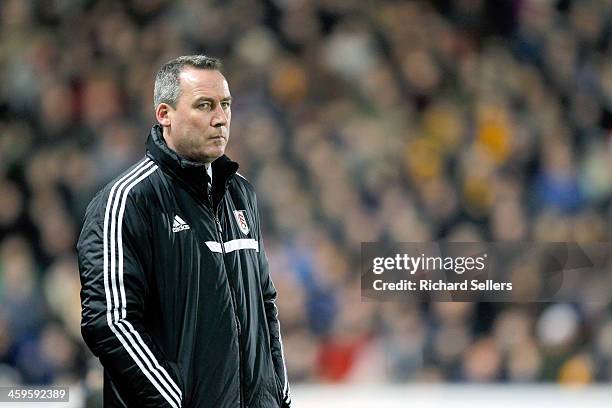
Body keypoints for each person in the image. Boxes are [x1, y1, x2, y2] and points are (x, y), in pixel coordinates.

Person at [77, 55, 291, 408]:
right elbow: (111, 321)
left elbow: (264, 302)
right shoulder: (127, 201)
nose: (220, 118)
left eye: (225, 105)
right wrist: (171, 403)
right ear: (165, 115)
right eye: (204, 105)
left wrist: (278, 395)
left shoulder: (241, 193)